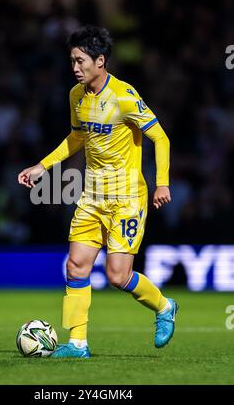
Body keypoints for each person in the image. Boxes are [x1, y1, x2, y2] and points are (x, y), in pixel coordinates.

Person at [18, 25, 178, 358]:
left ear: (100, 60)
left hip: (127, 199)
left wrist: (162, 182)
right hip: (91, 196)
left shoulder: (124, 96)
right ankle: (77, 344)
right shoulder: (76, 96)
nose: (75, 67)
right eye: (72, 61)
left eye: (80, 61)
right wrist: (42, 166)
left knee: (118, 275)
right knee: (76, 266)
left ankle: (164, 306)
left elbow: (160, 137)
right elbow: (76, 138)